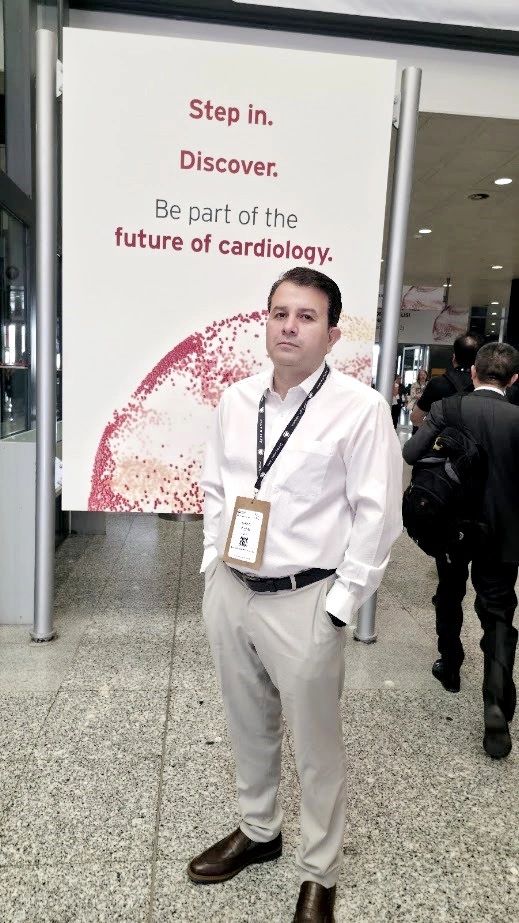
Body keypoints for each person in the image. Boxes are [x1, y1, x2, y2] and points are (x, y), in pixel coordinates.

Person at [190, 267, 403, 921]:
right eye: (279, 312)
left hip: (305, 599)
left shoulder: (359, 409)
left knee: (316, 746)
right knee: (246, 723)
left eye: (305, 316)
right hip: (232, 590)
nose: (288, 325)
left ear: (332, 333)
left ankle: (320, 868)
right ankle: (258, 831)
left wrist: (342, 602)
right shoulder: (236, 400)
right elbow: (216, 488)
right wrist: (210, 564)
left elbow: (378, 512)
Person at [403, 342, 519, 760]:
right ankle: (495, 699)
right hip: (504, 533)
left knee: (449, 592)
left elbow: (411, 452)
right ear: (513, 380)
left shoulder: (449, 408)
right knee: (498, 611)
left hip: (451, 526)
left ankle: (450, 667)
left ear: (473, 373)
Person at [410, 334, 481, 430]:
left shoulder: (437, 384)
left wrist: (436, 432)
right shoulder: (485, 385)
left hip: (443, 441)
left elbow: (415, 418)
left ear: (454, 358)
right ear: (478, 360)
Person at [407, 368, 429, 434]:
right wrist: (423, 396)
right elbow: (413, 394)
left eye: (424, 375)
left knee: (425, 423)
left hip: (427, 406)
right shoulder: (414, 384)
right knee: (416, 423)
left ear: (426, 376)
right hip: (416, 405)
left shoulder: (429, 384)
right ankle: (414, 437)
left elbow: (431, 394)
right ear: (418, 376)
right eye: (421, 375)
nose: (422, 376)